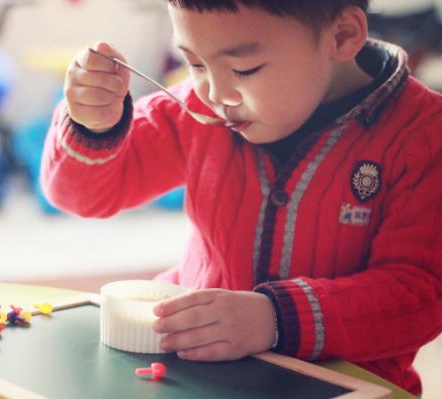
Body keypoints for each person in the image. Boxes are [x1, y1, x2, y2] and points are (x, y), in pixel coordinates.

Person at [41, 0, 442, 395]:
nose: (216, 93)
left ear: (342, 35)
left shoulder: (424, 134)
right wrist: (93, 126)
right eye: (195, 63)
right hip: (193, 378)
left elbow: (420, 293)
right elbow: (80, 195)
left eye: (244, 69)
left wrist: (277, 319)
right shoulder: (193, 109)